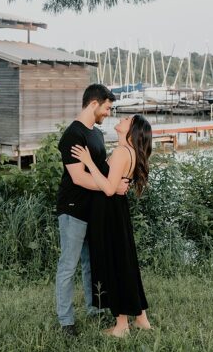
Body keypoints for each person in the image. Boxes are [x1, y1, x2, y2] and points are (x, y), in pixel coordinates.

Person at [54, 84, 129, 337]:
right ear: (94, 103)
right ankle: (66, 321)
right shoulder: (73, 135)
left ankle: (94, 309)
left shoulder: (96, 134)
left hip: (95, 210)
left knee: (91, 263)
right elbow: (79, 178)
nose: (109, 113)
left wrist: (121, 180)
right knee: (69, 265)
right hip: (73, 209)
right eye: (107, 108)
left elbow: (102, 169)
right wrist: (109, 187)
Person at [72, 114, 153, 338]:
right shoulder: (129, 152)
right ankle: (141, 319)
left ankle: (121, 326)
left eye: (128, 119)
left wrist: (88, 162)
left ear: (132, 130)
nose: (123, 118)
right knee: (125, 262)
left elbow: (108, 188)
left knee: (114, 263)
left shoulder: (121, 152)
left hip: (109, 211)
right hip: (117, 210)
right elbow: (113, 184)